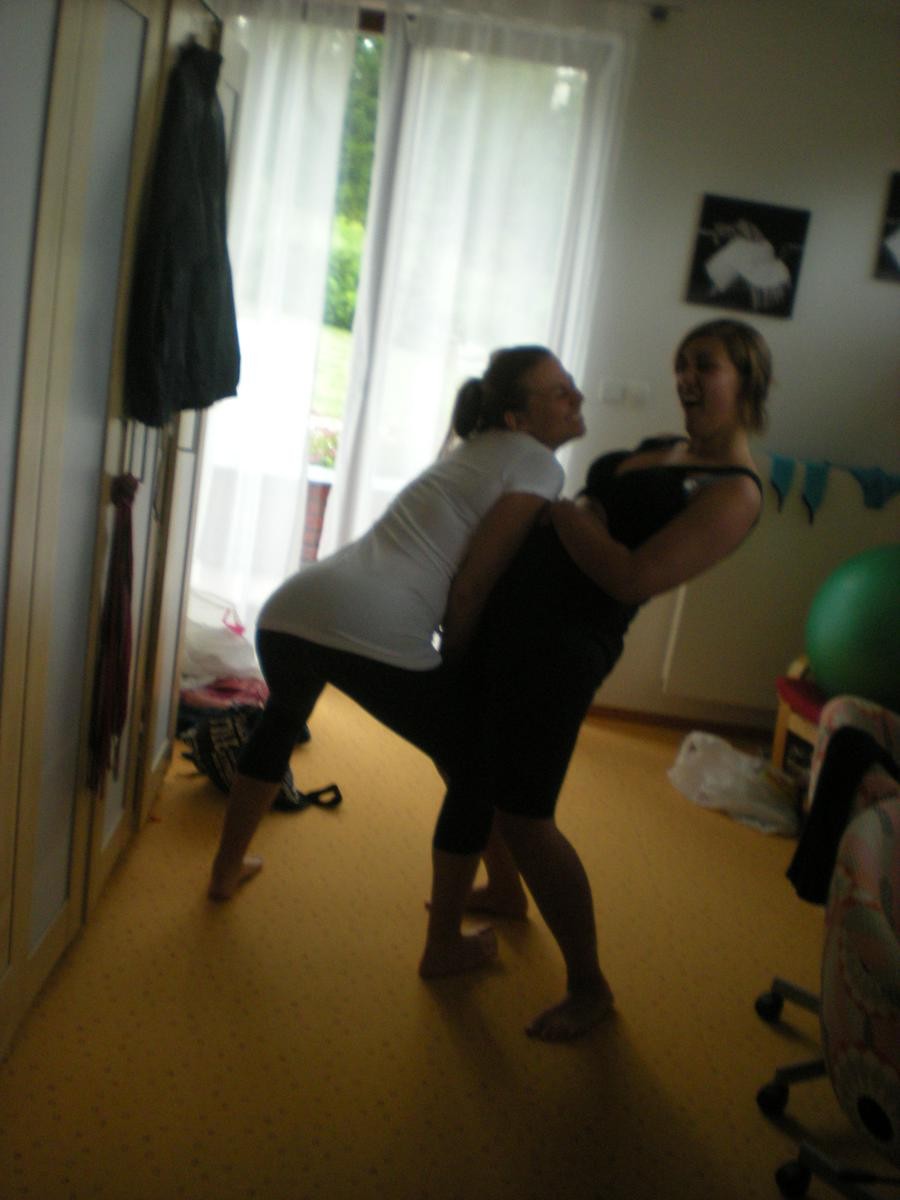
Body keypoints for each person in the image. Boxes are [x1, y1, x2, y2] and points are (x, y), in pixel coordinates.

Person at [420, 318, 770, 1040]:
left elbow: (632, 576)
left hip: (565, 647)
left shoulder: (736, 493)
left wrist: (570, 515)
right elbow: (593, 513)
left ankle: (589, 985)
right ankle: (506, 893)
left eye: (705, 365)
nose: (686, 378)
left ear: (748, 379)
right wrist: (578, 518)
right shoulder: (660, 447)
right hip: (515, 617)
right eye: (681, 363)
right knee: (473, 765)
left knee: (527, 814)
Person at [208, 345, 586, 953]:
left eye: (572, 386)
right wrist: (456, 664)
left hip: (292, 609)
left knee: (280, 723)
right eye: (560, 391)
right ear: (517, 418)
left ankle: (225, 871)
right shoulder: (538, 464)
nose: (577, 398)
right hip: (372, 624)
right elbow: (471, 586)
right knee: (476, 765)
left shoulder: (469, 451)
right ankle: (447, 945)